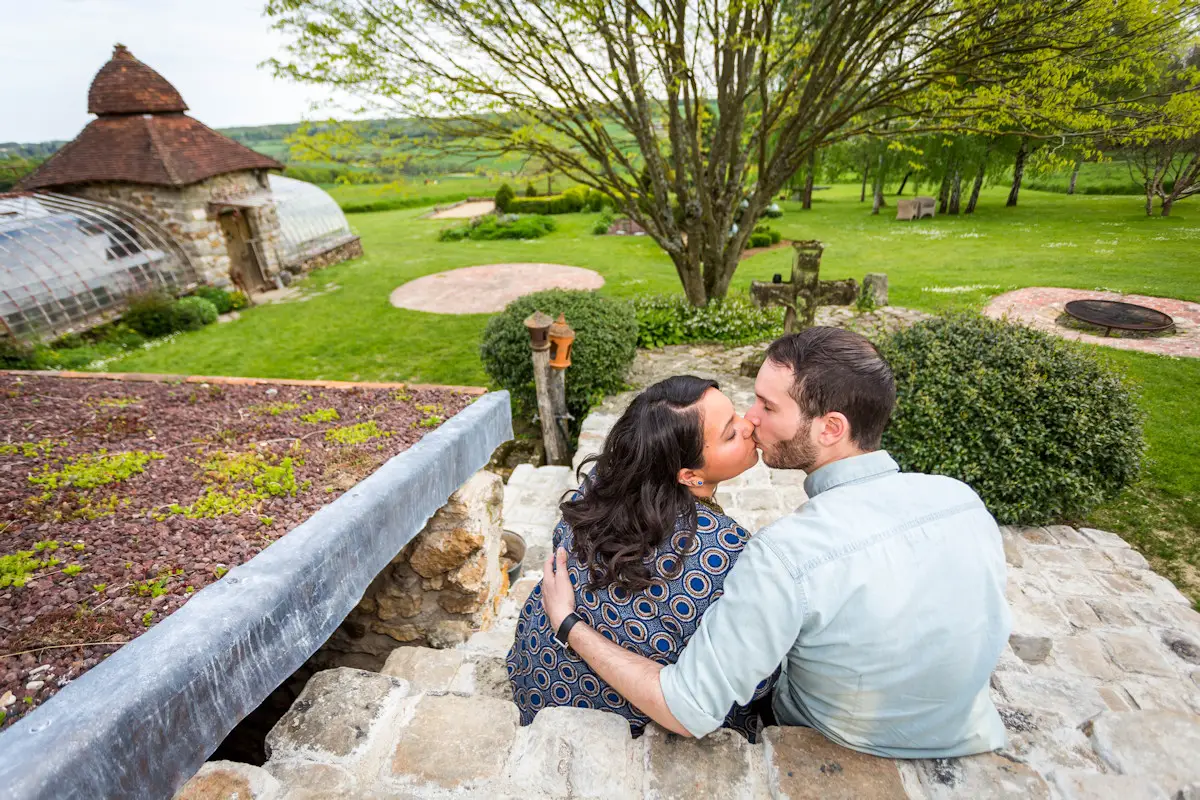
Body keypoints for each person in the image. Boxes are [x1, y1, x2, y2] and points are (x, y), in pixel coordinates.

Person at [540, 327, 1012, 759]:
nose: (751, 418)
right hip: (970, 730)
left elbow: (686, 708)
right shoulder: (961, 499)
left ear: (830, 428)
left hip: (838, 742)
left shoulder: (787, 553)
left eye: (767, 406)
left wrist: (568, 625)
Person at [507, 375, 778, 740]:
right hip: (617, 728)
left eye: (735, 415)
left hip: (537, 674)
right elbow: (753, 677)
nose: (749, 425)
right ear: (689, 476)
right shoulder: (729, 553)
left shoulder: (600, 483)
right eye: (730, 434)